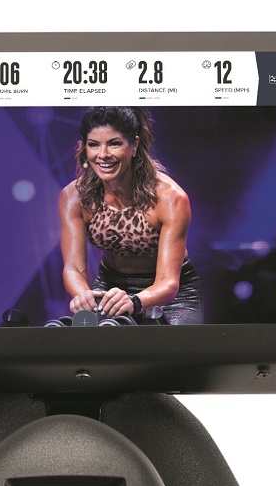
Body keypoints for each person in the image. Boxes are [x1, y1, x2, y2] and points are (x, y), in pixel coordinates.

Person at [58, 107, 203, 324]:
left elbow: (168, 283)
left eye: (114, 143)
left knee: (173, 345)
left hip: (171, 295)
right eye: (94, 144)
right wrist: (83, 295)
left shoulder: (170, 198)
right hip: (110, 287)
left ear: (134, 145)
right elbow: (73, 268)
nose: (103, 154)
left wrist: (134, 301)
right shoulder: (74, 197)